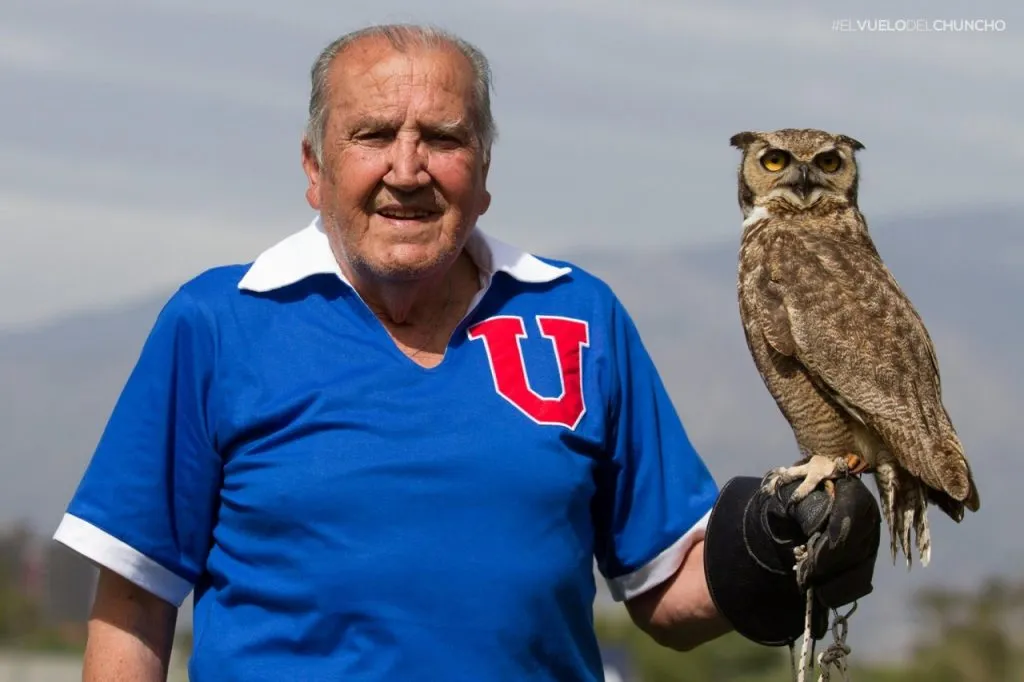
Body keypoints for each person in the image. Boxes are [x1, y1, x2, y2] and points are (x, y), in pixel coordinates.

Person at [52, 23, 882, 682]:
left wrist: (775, 545)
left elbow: (665, 593)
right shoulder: (220, 322)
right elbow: (134, 605)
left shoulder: (580, 318)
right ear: (314, 166)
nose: (407, 169)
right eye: (373, 134)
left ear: (483, 172)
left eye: (442, 139)